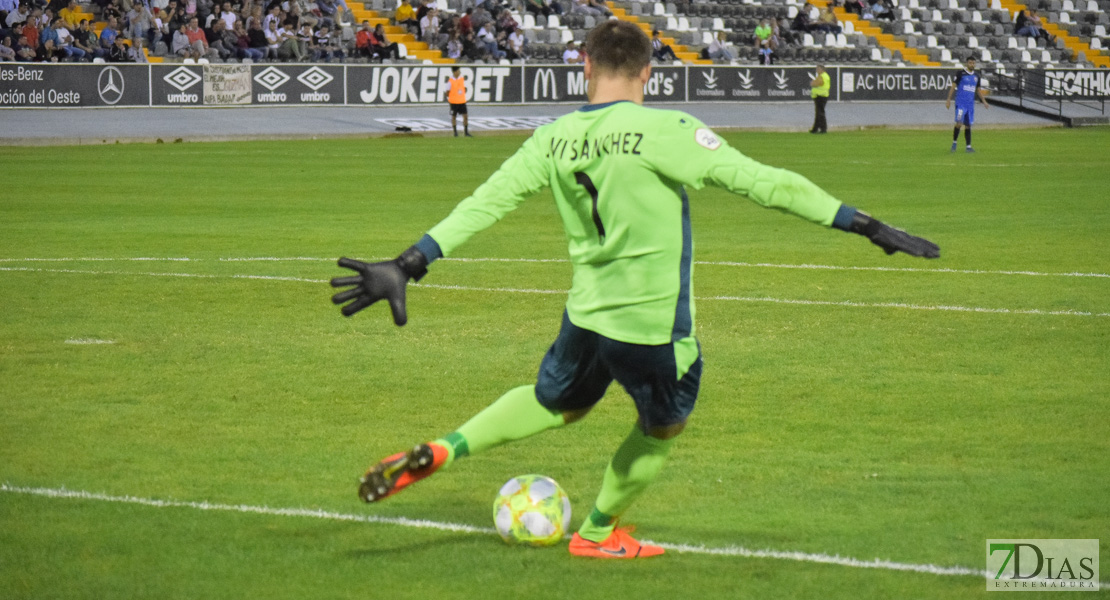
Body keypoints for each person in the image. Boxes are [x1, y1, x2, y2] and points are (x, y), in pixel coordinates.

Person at [331, 20, 939, 561]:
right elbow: (765, 183)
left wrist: (411, 261)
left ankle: (446, 449)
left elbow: (486, 202)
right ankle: (597, 533)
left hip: (586, 316)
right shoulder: (664, 129)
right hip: (652, 329)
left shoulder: (553, 138)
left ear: (586, 67)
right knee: (662, 427)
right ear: (648, 73)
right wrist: (861, 223)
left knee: (555, 404)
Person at [945, 55, 989, 153]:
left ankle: (968, 147)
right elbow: (953, 86)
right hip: (960, 104)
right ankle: (954, 143)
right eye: (970, 62)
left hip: (970, 105)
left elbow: (978, 90)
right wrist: (948, 99)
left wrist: (984, 101)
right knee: (959, 123)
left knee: (968, 125)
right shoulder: (961, 74)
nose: (972, 64)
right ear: (967, 63)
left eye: (973, 63)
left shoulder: (976, 76)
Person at [445, 65, 471, 137]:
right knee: (454, 117)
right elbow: (447, 92)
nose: (459, 72)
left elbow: (464, 88)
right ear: (455, 72)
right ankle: (455, 132)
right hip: (454, 102)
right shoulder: (450, 81)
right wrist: (451, 98)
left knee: (465, 116)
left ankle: (466, 132)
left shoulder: (461, 79)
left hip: (462, 101)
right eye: (458, 71)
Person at [809, 64, 830, 133]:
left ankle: (823, 128)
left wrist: (813, 83)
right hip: (820, 96)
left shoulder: (822, 76)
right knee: (819, 113)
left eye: (818, 69)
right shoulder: (823, 76)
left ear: (821, 69)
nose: (816, 70)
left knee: (820, 113)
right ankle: (816, 128)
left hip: (821, 96)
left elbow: (818, 83)